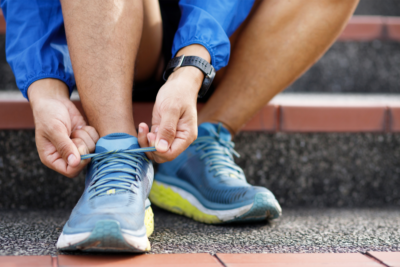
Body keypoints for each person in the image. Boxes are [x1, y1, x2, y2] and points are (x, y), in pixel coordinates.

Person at [1, 0, 359, 253]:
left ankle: (201, 140)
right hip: (111, 24)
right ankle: (119, 151)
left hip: (217, 26)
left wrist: (193, 64)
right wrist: (45, 87)